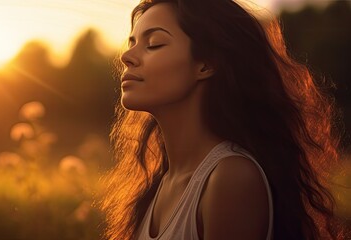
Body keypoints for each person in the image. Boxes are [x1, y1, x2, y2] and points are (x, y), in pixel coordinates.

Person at [99, 0, 346, 239]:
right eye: (131, 42)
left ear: (206, 63)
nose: (126, 56)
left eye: (154, 44)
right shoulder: (158, 184)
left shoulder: (231, 178)